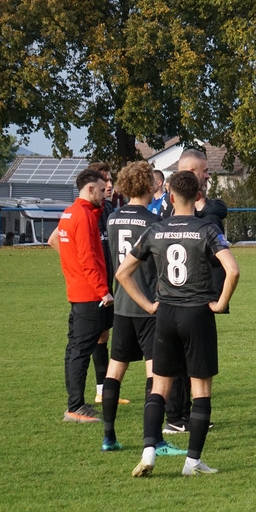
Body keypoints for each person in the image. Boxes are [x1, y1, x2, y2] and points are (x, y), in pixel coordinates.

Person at [117, 170, 240, 477]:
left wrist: (148, 305)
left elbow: (122, 273)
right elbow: (233, 270)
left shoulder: (155, 230)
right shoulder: (207, 229)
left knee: (159, 386)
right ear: (198, 196)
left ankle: (149, 450)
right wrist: (220, 302)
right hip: (197, 314)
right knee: (201, 390)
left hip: (166, 314)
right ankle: (192, 462)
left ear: (170, 196)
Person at [100, 161, 189, 456]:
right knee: (156, 373)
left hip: (122, 306)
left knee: (115, 369)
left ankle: (109, 437)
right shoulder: (154, 223)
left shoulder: (113, 218)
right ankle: (155, 439)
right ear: (148, 185)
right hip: (149, 305)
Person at [161, 149, 228, 434]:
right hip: (182, 296)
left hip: (192, 294)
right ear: (190, 172)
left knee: (189, 360)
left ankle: (184, 415)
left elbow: (218, 209)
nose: (208, 175)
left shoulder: (200, 208)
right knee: (181, 362)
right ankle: (176, 417)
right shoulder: (172, 211)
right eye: (204, 171)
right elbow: (212, 220)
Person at [48, 168, 113, 423]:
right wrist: (103, 291)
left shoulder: (70, 213)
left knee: (74, 349)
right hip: (89, 295)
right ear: (90, 189)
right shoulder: (83, 217)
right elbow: (88, 259)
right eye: (101, 189)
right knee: (81, 351)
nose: (105, 193)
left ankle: (76, 403)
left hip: (76, 291)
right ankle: (75, 407)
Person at [90, 162, 117, 407]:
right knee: (91, 337)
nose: (109, 185)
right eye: (105, 181)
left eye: (110, 180)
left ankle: (102, 390)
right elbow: (56, 239)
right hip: (93, 286)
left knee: (103, 335)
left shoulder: (108, 208)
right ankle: (80, 399)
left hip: (108, 285)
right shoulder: (85, 211)